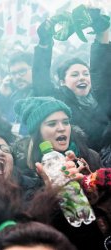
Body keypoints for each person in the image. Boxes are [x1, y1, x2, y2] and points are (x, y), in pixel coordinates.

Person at [13, 96, 106, 249]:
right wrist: (49, 196)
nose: (62, 128)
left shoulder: (89, 157)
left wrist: (91, 184)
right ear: (38, 132)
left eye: (65, 122)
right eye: (52, 124)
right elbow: (31, 225)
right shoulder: (27, 171)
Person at [32, 10, 110, 152]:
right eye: (74, 75)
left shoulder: (102, 97)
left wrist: (102, 33)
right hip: (79, 163)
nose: (82, 77)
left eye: (85, 74)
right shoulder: (59, 102)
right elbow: (40, 81)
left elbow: (101, 70)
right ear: (62, 81)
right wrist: (44, 44)